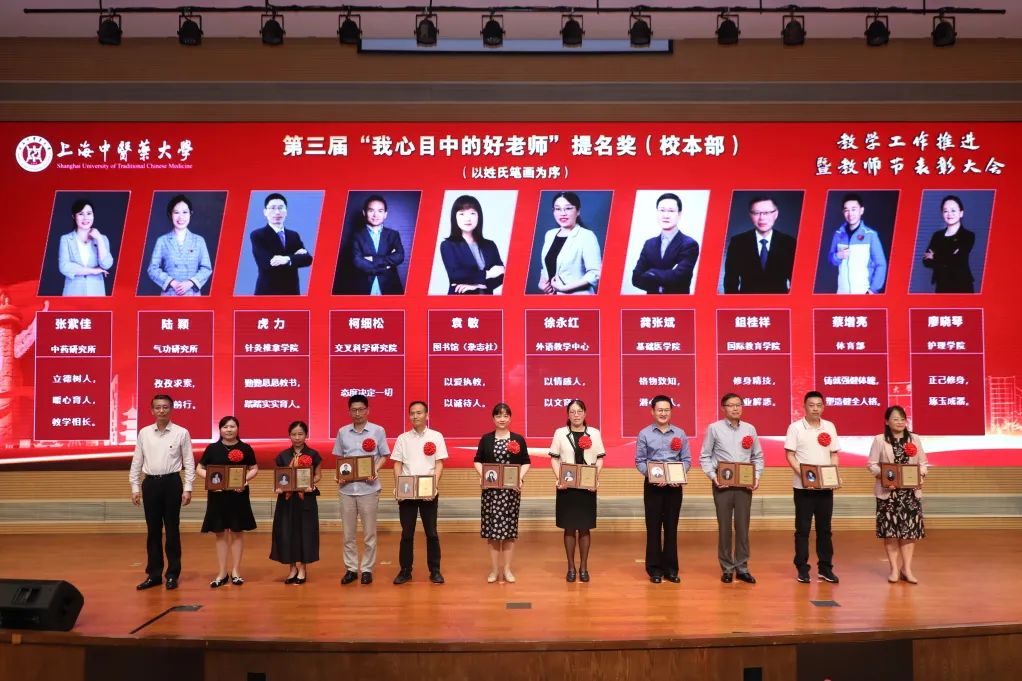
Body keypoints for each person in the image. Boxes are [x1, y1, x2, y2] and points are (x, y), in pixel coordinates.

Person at [128, 394, 195, 591]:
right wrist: (135, 487)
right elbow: (137, 461)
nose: (161, 410)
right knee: (153, 531)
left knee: (172, 530)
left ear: (171, 409)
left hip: (172, 483)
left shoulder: (181, 432)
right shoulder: (144, 433)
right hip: (151, 484)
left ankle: (172, 574)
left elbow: (189, 461)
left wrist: (188, 488)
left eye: (165, 407)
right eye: (157, 407)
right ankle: (154, 574)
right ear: (152, 411)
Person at [700, 393, 764, 584]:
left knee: (743, 528)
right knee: (725, 528)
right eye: (731, 405)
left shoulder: (750, 429)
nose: (735, 408)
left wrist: (756, 476)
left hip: (744, 486)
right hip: (723, 485)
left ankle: (742, 568)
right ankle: (727, 568)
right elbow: (705, 456)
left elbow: (757, 456)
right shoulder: (714, 428)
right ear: (723, 408)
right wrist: (713, 477)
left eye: (738, 405)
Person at [784, 391, 841, 584]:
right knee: (803, 530)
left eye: (819, 405)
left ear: (823, 407)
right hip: (803, 488)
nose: (815, 408)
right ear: (804, 407)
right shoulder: (795, 428)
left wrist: (832, 475)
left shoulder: (830, 426)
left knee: (825, 530)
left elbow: (834, 454)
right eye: (811, 405)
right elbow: (790, 455)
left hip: (825, 488)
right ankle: (802, 568)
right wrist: (804, 476)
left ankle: (825, 568)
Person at [333, 394, 390, 585]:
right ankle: (351, 569)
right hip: (347, 490)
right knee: (348, 534)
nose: (357, 413)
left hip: (369, 489)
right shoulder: (342, 432)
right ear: (349, 411)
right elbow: (339, 458)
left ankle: (366, 569)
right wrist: (340, 474)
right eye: (354, 410)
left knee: (369, 533)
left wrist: (375, 469)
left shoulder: (377, 431)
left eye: (361, 409)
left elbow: (384, 455)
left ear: (367, 410)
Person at [867, 405, 928, 584]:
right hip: (888, 494)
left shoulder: (914, 439)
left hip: (910, 494)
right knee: (891, 532)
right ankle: (894, 569)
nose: (900, 422)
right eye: (895, 419)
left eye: (902, 419)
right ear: (887, 421)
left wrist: (920, 476)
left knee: (909, 533)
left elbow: (923, 464)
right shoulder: (880, 440)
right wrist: (885, 477)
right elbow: (871, 464)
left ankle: (906, 569)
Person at [390, 401, 448, 584]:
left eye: (419, 412)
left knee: (431, 533)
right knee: (407, 534)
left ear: (427, 415)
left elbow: (439, 463)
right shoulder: (403, 438)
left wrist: (434, 486)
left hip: (428, 492)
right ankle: (405, 571)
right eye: (412, 413)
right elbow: (397, 464)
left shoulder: (436, 436)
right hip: (407, 492)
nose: (415, 416)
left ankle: (435, 570)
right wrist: (399, 486)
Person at [196, 416, 258, 588]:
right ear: (220, 429)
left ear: (238, 428)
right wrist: (211, 481)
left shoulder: (245, 448)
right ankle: (222, 572)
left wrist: (244, 480)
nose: (229, 430)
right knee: (220, 532)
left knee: (237, 532)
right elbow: (199, 468)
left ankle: (236, 571)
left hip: (239, 495)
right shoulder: (212, 448)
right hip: (217, 496)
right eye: (225, 427)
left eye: (232, 426)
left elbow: (254, 468)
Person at [634, 395, 690, 584]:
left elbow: (686, 460)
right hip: (653, 487)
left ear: (671, 412)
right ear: (653, 411)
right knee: (653, 528)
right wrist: (651, 476)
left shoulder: (680, 433)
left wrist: (679, 476)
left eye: (666, 410)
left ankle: (671, 569)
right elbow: (640, 461)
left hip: (674, 488)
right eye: (660, 410)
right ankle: (654, 569)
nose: (663, 413)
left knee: (671, 528)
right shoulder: (644, 433)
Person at [548, 399, 606, 582]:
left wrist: (594, 478)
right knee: (569, 527)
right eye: (572, 412)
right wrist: (559, 478)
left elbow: (600, 458)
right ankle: (571, 567)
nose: (576, 415)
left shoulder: (594, 433)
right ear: (568, 414)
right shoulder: (560, 433)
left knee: (585, 527)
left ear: (585, 413)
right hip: (567, 486)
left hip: (587, 487)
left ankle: (584, 567)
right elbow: (554, 458)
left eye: (579, 411)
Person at [473, 403, 531, 583]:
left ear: (510, 418)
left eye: (505, 415)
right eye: (498, 416)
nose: (502, 419)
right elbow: (477, 460)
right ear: (493, 418)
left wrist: (519, 478)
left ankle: (506, 570)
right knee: (493, 534)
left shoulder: (518, 439)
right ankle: (494, 570)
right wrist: (483, 476)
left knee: (509, 533)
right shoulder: (486, 439)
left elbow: (526, 462)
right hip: (491, 493)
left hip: (510, 493)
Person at [270, 420, 322, 584]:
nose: (297, 437)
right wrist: (278, 487)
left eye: (300, 434)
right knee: (287, 533)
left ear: (306, 435)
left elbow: (317, 475)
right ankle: (292, 568)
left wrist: (311, 483)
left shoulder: (313, 455)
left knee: (305, 533)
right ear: (289, 436)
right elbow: (279, 477)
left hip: (305, 499)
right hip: (286, 501)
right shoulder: (282, 456)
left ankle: (303, 569)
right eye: (294, 434)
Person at [722, 196, 796, 293]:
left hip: (780, 300)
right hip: (746, 300)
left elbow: (797, 281)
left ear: (776, 214)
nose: (762, 218)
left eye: (767, 213)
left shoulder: (789, 243)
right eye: (756, 213)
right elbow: (730, 281)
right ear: (750, 215)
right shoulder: (738, 242)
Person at [631, 193, 700, 294]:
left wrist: (651, 272)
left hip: (677, 302)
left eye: (671, 211)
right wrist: (667, 276)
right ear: (657, 212)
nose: (666, 215)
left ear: (679, 214)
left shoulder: (689, 244)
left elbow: (679, 277)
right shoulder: (649, 244)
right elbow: (636, 278)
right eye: (662, 210)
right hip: (651, 302)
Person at [146, 194, 213, 296]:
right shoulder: (162, 241)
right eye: (176, 212)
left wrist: (190, 283)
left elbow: (206, 269)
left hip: (192, 295)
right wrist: (172, 282)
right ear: (170, 214)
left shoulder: (199, 241)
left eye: (185, 212)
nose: (181, 217)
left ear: (190, 214)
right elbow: (152, 269)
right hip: (169, 294)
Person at [537, 192, 602, 295]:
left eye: (568, 208)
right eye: (558, 209)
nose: (562, 213)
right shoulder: (550, 234)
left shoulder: (587, 236)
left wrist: (565, 288)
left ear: (578, 211)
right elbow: (547, 265)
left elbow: (596, 273)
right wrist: (541, 283)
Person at [439, 194, 505, 295]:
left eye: (472, 213)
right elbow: (456, 275)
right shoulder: (448, 245)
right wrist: (489, 273)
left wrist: (478, 285)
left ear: (479, 216)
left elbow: (502, 274)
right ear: (454, 217)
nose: (467, 218)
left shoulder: (490, 245)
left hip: (486, 299)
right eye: (462, 214)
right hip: (460, 299)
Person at [250, 193, 313, 295]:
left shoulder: (293, 235)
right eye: (272, 208)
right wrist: (294, 258)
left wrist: (286, 259)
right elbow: (267, 263)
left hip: (292, 291)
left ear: (286, 211)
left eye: (280, 208)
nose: (277, 212)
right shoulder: (258, 235)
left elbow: (307, 259)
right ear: (265, 212)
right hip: (268, 292)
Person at [826, 193, 887, 294]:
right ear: (843, 212)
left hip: (863, 292)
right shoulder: (838, 234)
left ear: (861, 210)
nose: (850, 214)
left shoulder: (871, 235)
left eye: (853, 209)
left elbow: (881, 264)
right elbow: (831, 259)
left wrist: (872, 290)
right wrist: (838, 256)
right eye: (846, 210)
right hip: (842, 293)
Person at [350, 194, 406, 295]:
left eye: (380, 211)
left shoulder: (393, 235)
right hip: (363, 286)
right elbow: (357, 261)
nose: (375, 215)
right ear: (364, 213)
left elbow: (399, 256)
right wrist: (386, 266)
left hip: (390, 286)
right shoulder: (356, 236)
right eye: (371, 210)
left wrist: (372, 259)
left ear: (385, 214)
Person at [58, 199, 114, 296]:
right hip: (73, 292)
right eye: (81, 214)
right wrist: (93, 271)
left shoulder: (102, 238)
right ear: (74, 216)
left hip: (96, 293)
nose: (85, 218)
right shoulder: (66, 239)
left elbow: (106, 264)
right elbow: (64, 266)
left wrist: (99, 238)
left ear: (93, 215)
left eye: (89, 213)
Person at [922, 194, 976, 293]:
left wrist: (935, 256)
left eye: (953, 210)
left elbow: (957, 259)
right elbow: (926, 261)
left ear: (961, 213)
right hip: (941, 284)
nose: (949, 214)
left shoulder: (968, 235)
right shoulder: (937, 236)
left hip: (962, 284)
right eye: (945, 211)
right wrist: (948, 257)